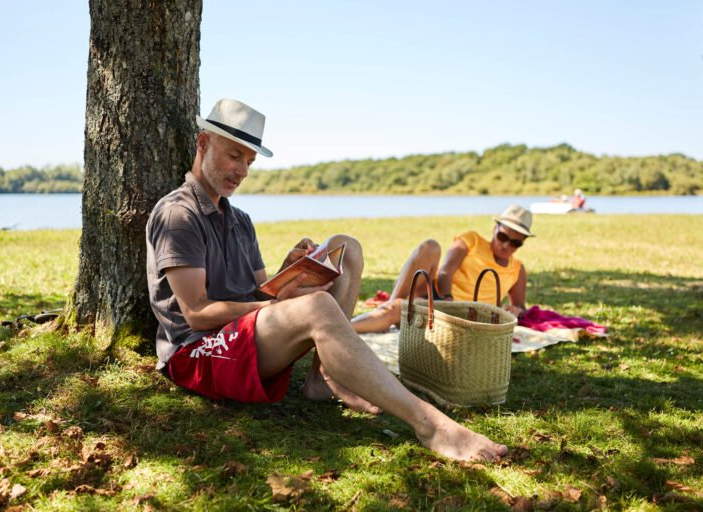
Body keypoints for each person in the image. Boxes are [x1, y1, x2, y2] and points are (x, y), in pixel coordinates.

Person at [145, 98, 508, 462]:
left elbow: (258, 292)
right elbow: (197, 313)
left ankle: (321, 379)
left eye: (250, 162)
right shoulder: (178, 214)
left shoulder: (240, 220)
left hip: (241, 336)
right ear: (204, 143)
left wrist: (289, 270)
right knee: (318, 306)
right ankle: (431, 425)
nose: (242, 171)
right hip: (197, 354)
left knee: (345, 247)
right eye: (234, 156)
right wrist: (279, 305)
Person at [351, 204, 534, 334]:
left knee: (398, 310)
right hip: (439, 295)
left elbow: (520, 306)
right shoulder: (472, 240)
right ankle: (389, 306)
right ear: (495, 228)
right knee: (430, 247)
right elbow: (445, 271)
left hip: (465, 314)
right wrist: (448, 299)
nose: (506, 245)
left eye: (515, 243)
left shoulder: (517, 269)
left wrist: (516, 310)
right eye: (503, 236)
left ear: (523, 242)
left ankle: (348, 327)